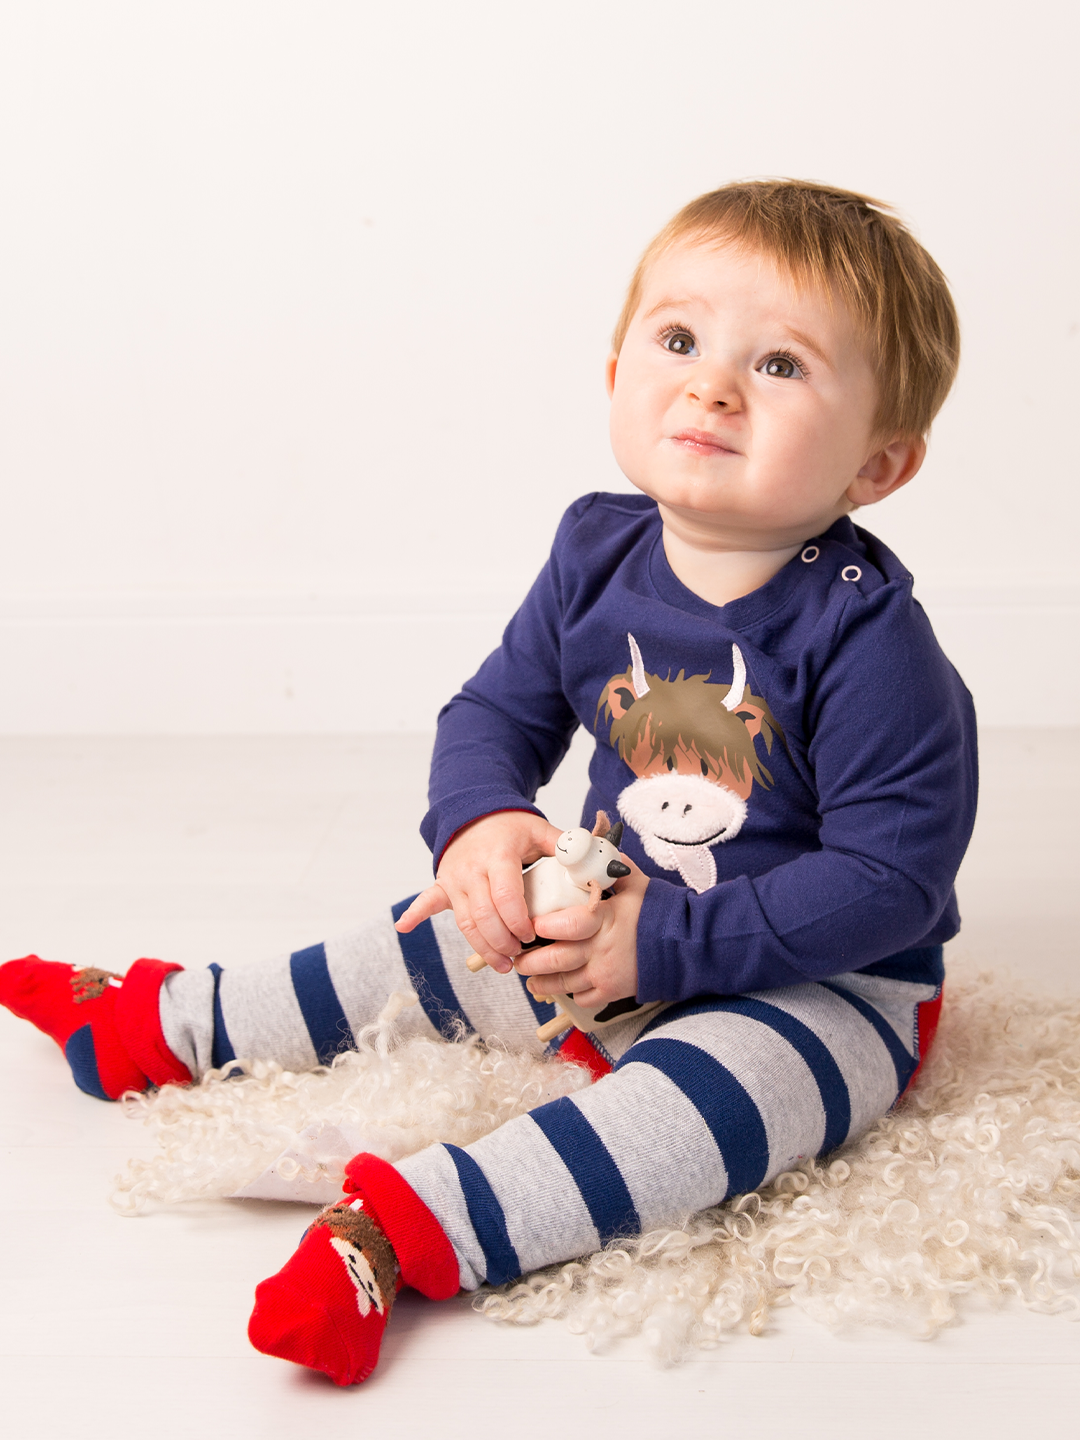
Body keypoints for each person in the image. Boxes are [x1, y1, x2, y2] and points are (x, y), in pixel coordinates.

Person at [0, 180, 977, 1386]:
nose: (712, 388)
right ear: (615, 371)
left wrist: (665, 951)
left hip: (819, 973)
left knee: (709, 1110)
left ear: (880, 462)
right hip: (606, 910)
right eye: (679, 341)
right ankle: (167, 1019)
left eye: (779, 365)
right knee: (427, 942)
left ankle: (406, 1230)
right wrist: (484, 824)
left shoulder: (869, 639)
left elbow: (888, 880)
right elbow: (495, 714)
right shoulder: (595, 552)